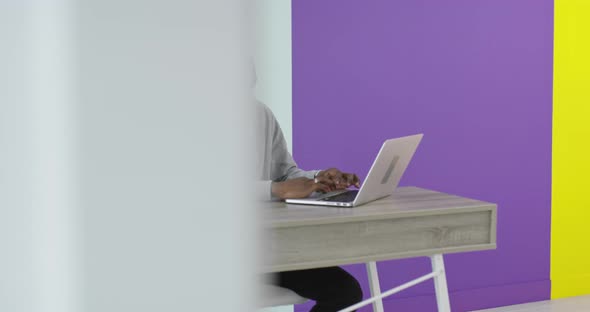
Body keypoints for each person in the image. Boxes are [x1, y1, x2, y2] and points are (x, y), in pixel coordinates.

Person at [257, 103, 363, 312]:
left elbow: (285, 174)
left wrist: (317, 180)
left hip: (263, 250)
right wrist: (275, 189)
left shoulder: (260, 113)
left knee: (345, 293)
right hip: (210, 254)